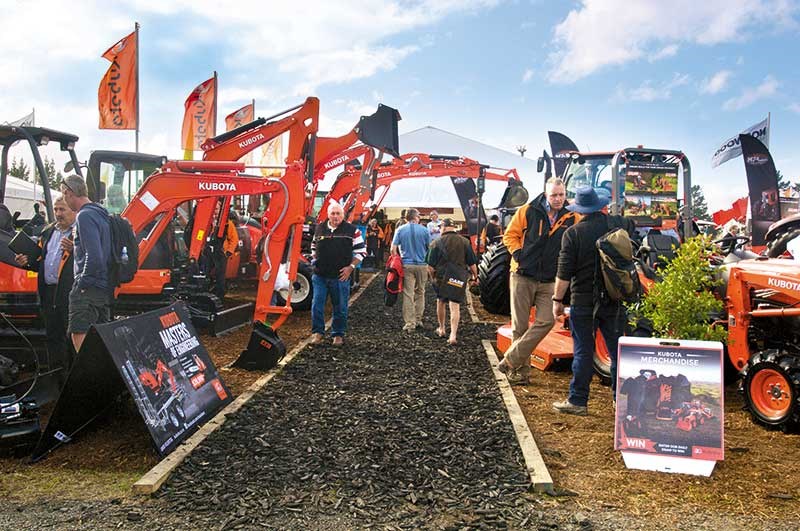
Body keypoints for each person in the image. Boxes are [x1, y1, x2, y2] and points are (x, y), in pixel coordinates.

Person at [551, 186, 636, 415]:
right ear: (601, 206)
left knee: (583, 351)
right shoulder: (616, 225)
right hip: (613, 298)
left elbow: (564, 272)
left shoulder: (573, 233)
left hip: (582, 301)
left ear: (580, 209)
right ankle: (622, 402)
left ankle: (578, 401)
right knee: (617, 351)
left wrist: (557, 300)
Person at [497, 177, 579, 385]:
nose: (558, 199)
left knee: (547, 321)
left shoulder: (572, 216)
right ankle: (521, 373)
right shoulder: (527, 211)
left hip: (549, 279)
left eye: (561, 194)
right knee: (520, 326)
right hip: (522, 275)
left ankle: (511, 359)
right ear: (545, 194)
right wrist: (518, 254)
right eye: (554, 195)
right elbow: (510, 236)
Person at [14, 196, 76, 371]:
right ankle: (56, 375)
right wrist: (27, 261)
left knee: (70, 336)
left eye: (62, 209)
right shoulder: (48, 232)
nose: (58, 214)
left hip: (69, 292)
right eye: (56, 210)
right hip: (48, 292)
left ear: (73, 209)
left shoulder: (79, 233)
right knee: (52, 335)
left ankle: (72, 374)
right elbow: (41, 261)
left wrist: (75, 249)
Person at [60, 174, 112, 352]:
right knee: (99, 339)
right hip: (102, 286)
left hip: (88, 287)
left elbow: (94, 256)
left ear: (69, 192)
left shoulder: (84, 216)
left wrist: (81, 283)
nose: (65, 201)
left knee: (79, 334)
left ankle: (88, 376)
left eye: (64, 196)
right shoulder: (101, 213)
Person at [310, 203, 366, 345]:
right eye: (333, 213)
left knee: (340, 306)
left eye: (338, 214)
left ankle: (338, 334)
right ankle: (317, 333)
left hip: (340, 276)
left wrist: (351, 267)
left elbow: (361, 252)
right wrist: (314, 259)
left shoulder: (352, 231)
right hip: (320, 276)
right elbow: (313, 247)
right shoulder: (319, 228)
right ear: (328, 214)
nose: (335, 216)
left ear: (343, 215)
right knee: (316, 304)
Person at [426, 219, 477, 345]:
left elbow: (430, 266)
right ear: (453, 227)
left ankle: (442, 329)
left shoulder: (436, 242)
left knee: (441, 301)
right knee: (455, 305)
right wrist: (476, 276)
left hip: (441, 277)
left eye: (440, 227)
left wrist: (432, 277)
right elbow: (472, 263)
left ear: (444, 227)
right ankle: (453, 335)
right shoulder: (465, 242)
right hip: (458, 277)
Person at [391, 208, 431, 331]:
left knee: (408, 293)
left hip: (406, 265)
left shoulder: (400, 230)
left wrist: (396, 259)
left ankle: (410, 323)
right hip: (422, 265)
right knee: (421, 291)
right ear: (416, 217)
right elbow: (430, 248)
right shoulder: (425, 230)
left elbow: (393, 249)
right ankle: (418, 319)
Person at [211, 208, 240, 300]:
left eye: (217, 209)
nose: (215, 211)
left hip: (221, 252)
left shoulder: (227, 224)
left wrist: (228, 252)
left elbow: (234, 239)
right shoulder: (208, 222)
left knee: (220, 274)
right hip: (209, 252)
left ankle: (220, 294)